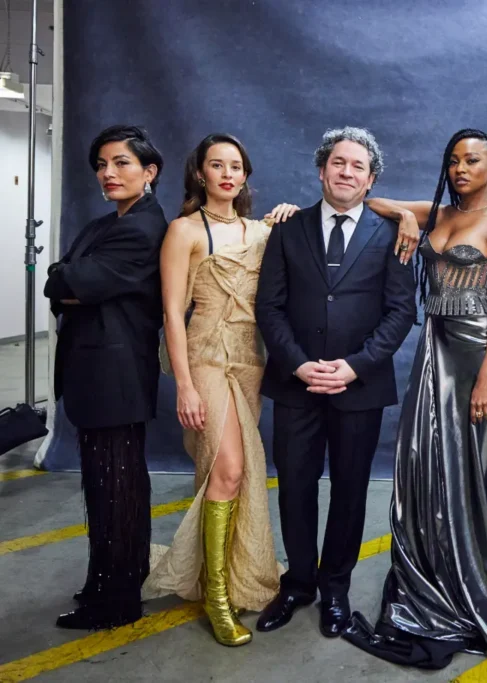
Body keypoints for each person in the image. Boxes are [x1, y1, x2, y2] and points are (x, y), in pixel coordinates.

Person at [340, 128, 487, 668]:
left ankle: (472, 579)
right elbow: (371, 199)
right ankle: (431, 570)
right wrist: (407, 217)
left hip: (476, 358)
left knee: (466, 472)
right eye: (453, 160)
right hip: (433, 351)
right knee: (425, 469)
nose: (460, 168)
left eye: (472, 161)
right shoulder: (436, 214)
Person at [254, 127, 417, 638]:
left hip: (359, 386)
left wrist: (356, 365)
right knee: (295, 487)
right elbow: (269, 306)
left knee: (349, 490)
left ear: (370, 181)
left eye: (358, 167)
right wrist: (299, 364)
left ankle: (336, 589)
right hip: (295, 381)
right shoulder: (287, 228)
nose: (347, 172)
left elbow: (400, 311)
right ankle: (298, 582)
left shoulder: (392, 234)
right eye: (338, 163)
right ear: (321, 170)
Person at [141, 134, 281, 646]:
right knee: (229, 468)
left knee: (235, 471)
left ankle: (222, 573)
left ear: (245, 175)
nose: (227, 173)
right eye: (216, 165)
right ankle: (218, 599)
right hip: (205, 356)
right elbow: (172, 315)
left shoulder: (261, 231)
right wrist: (184, 386)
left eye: (236, 166)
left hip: (250, 358)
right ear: (199, 173)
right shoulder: (183, 230)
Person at [44, 125, 167, 630]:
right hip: (98, 374)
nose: (108, 173)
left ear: (149, 172)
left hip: (115, 377)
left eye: (121, 163)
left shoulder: (142, 228)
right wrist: (68, 278)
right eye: (101, 164)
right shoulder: (106, 225)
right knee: (111, 487)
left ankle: (115, 601)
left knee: (115, 490)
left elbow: (74, 279)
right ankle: (112, 583)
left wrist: (70, 278)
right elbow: (59, 281)